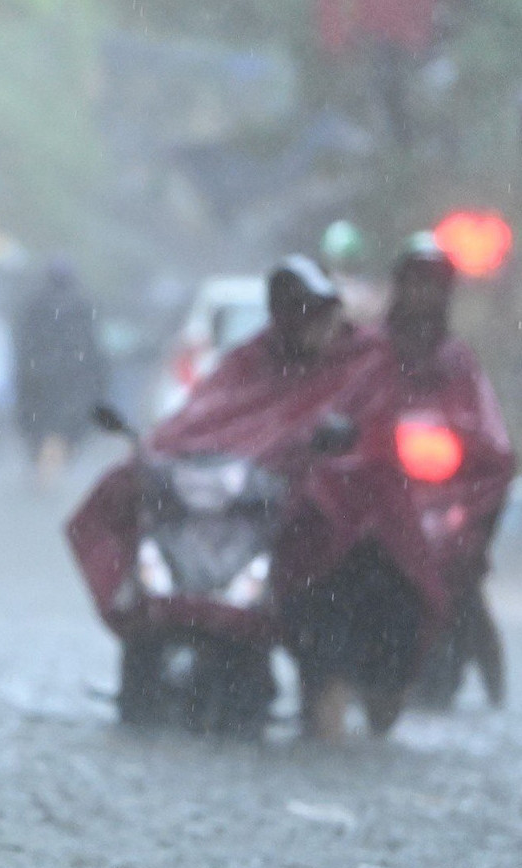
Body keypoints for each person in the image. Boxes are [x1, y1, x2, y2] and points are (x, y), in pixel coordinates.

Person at [69, 256, 416, 736]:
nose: (305, 322)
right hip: (241, 505)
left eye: (312, 309)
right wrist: (154, 454)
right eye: (293, 309)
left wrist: (320, 469)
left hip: (337, 530)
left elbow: (367, 445)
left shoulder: (364, 359)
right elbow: (203, 416)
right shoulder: (253, 358)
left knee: (334, 601)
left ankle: (329, 695)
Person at [374, 234, 514, 708]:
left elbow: (488, 441)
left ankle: (492, 680)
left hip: (441, 498)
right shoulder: (372, 350)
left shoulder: (456, 359)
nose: (422, 295)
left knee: (463, 581)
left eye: (432, 285)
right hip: (378, 496)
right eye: (415, 283)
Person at [13, 260, 106, 486]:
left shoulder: (35, 304)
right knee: (61, 428)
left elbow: (23, 342)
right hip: (70, 380)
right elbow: (92, 346)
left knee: (40, 427)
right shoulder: (82, 306)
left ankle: (44, 469)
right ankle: (48, 470)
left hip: (39, 378)